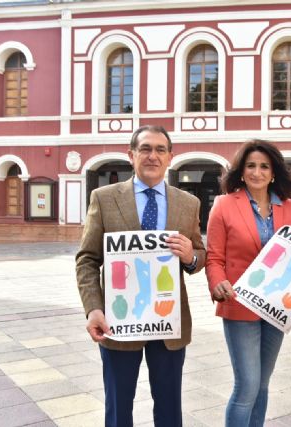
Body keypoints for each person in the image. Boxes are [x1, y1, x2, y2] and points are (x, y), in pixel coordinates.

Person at [75, 125, 206, 427]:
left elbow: (200, 256)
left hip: (168, 321)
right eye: (145, 148)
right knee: (119, 408)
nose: (152, 156)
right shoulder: (104, 198)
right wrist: (94, 308)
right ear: (130, 154)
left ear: (170, 157)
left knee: (170, 408)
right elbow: (87, 259)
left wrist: (190, 256)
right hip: (119, 321)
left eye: (160, 150)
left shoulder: (188, 203)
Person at [205, 140, 291, 427]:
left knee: (262, 384)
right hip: (238, 303)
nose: (257, 172)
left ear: (273, 173)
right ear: (241, 171)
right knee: (247, 385)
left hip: (276, 307)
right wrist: (217, 283)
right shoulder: (223, 205)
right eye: (250, 166)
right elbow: (213, 257)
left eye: (263, 166)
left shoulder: (290, 207)